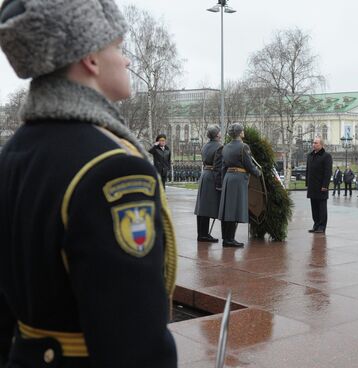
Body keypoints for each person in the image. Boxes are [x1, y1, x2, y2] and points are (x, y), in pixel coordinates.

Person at [0, 0, 178, 366]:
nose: (127, 60)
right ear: (92, 59)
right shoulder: (114, 169)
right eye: (119, 46)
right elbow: (134, 343)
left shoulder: (14, 153)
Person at [218, 123, 261, 247]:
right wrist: (258, 172)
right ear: (240, 133)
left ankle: (226, 238)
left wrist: (223, 181)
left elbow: (223, 167)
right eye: (242, 130)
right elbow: (249, 165)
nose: (243, 132)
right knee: (234, 209)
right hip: (238, 179)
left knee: (227, 210)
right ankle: (230, 239)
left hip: (228, 178)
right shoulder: (244, 147)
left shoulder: (225, 147)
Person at [194, 126, 223, 243]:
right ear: (217, 135)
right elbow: (217, 168)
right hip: (211, 176)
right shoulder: (219, 147)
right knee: (206, 208)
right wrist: (219, 184)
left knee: (202, 207)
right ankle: (204, 235)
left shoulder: (205, 146)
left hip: (204, 174)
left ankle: (201, 233)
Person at [306, 137, 333, 234]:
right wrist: (307, 184)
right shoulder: (310, 155)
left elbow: (328, 172)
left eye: (316, 143)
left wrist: (325, 185)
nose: (313, 144)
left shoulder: (326, 156)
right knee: (314, 208)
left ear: (321, 145)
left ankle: (322, 227)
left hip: (321, 187)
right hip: (312, 187)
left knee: (322, 208)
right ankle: (316, 225)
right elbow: (308, 171)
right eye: (313, 143)